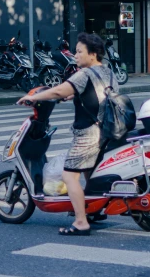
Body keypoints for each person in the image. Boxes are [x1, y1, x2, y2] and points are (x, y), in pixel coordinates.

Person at [16, 32, 115, 236]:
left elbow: (57, 91)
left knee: (69, 175)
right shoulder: (108, 72)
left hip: (88, 134)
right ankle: (92, 211)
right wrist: (75, 96)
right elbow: (96, 96)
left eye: (79, 52)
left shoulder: (85, 74)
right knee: (90, 172)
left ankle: (81, 222)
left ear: (93, 54)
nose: (75, 55)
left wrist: (32, 97)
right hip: (105, 131)